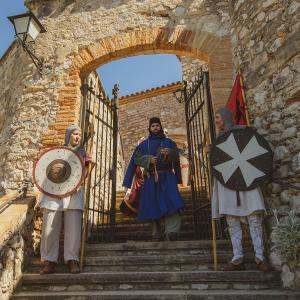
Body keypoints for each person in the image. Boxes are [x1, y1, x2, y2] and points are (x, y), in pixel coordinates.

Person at [209, 107, 270, 272]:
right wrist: (211, 152)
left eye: (218, 117)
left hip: (247, 180)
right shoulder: (218, 140)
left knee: (254, 219)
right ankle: (237, 258)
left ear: (226, 117)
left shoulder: (245, 132)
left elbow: (256, 152)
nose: (216, 121)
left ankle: (260, 257)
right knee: (232, 220)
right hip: (227, 184)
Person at [39, 125, 91, 275]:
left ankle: (72, 260)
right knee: (49, 227)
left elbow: (84, 173)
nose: (77, 137)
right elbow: (47, 168)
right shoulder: (58, 152)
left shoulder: (83, 153)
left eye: (79, 135)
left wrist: (89, 164)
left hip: (74, 192)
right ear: (68, 135)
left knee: (73, 228)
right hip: (54, 191)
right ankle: (49, 261)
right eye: (75, 134)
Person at [123, 117, 184, 241]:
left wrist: (170, 154)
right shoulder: (144, 144)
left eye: (157, 125)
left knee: (172, 201)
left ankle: (171, 231)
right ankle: (156, 232)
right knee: (152, 205)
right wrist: (147, 160)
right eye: (153, 126)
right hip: (151, 178)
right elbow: (136, 159)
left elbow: (176, 157)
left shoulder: (169, 142)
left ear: (161, 127)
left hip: (167, 177)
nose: (155, 127)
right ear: (149, 128)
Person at [120, 137, 145, 216]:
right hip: (138, 177)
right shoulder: (138, 151)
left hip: (144, 175)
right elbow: (134, 163)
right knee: (134, 195)